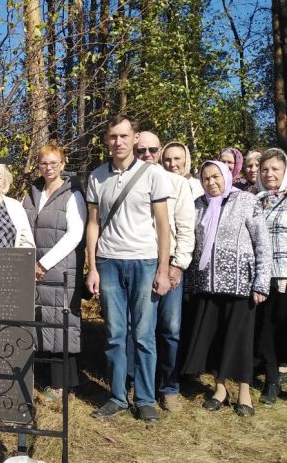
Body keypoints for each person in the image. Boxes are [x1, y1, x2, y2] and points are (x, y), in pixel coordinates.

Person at [86, 115, 171, 423]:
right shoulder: (97, 176)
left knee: (144, 335)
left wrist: (163, 268)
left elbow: (163, 226)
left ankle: (146, 398)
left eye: (124, 136)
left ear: (135, 138)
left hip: (145, 261)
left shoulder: (153, 175)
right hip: (108, 263)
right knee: (114, 334)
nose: (118, 142)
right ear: (107, 140)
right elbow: (93, 224)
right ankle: (117, 396)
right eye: (112, 137)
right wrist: (92, 266)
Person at [181, 161, 271, 418]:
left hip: (240, 284)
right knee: (216, 339)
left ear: (227, 176)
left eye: (216, 176)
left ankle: (244, 391)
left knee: (240, 339)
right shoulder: (198, 204)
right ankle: (220, 389)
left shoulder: (245, 200)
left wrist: (261, 282)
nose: (211, 182)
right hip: (206, 285)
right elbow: (193, 243)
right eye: (206, 178)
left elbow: (261, 242)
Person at [133, 132, 195, 412]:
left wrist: (178, 264)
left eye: (152, 150)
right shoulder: (128, 182)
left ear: (159, 151)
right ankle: (136, 381)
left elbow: (185, 227)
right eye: (141, 150)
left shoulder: (177, 184)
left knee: (170, 328)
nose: (147, 155)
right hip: (138, 262)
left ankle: (168, 386)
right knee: (139, 328)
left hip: (168, 263)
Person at [21, 144, 86, 401]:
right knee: (41, 320)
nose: (49, 168)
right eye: (44, 163)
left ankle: (63, 385)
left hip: (59, 268)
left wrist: (45, 263)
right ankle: (46, 378)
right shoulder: (31, 193)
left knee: (62, 322)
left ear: (63, 162)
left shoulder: (72, 194)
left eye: (54, 163)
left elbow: (75, 234)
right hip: (33, 268)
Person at [254, 148, 287, 405]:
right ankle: (272, 381)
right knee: (266, 331)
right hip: (263, 277)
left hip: (286, 274)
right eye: (265, 169)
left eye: (275, 169)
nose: (269, 174)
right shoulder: (254, 200)